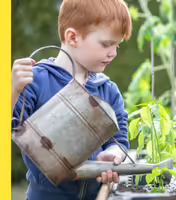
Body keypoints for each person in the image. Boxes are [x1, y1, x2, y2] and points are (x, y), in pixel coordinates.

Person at [11, 0, 132, 199]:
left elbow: (119, 140)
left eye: (117, 45)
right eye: (106, 44)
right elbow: (11, 126)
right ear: (73, 37)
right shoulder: (37, 81)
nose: (113, 53)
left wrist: (114, 154)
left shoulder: (108, 90)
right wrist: (13, 90)